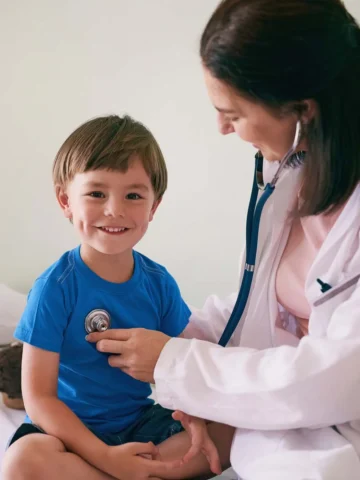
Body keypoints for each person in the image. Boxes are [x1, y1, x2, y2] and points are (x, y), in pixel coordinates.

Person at [84, 1, 360, 479]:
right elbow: (259, 302)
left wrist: (175, 364)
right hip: (282, 426)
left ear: (303, 109)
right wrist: (178, 335)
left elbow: (334, 377)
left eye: (233, 113)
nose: (222, 128)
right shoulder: (296, 171)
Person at [1, 115, 233, 480]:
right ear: (66, 200)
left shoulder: (159, 284)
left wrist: (195, 417)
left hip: (140, 424)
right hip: (66, 434)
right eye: (96, 193)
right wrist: (107, 458)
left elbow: (182, 365)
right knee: (22, 463)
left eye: (133, 195)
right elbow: (39, 399)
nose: (115, 209)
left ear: (153, 207)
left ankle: (128, 472)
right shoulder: (55, 287)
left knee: (233, 428)